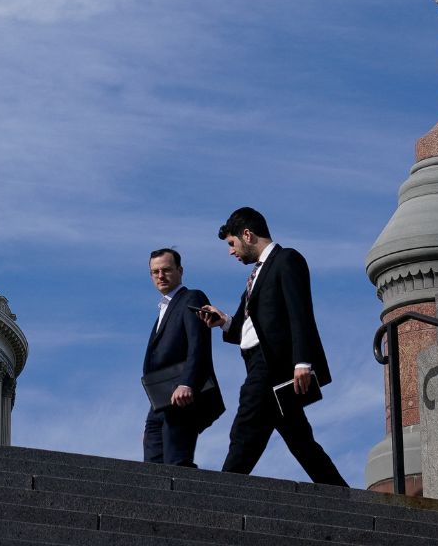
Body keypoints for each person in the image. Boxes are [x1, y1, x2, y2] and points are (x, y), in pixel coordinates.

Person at [197, 207, 347, 485]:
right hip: (259, 362)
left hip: (272, 365)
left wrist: (302, 362)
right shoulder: (257, 274)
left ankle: (222, 492)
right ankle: (341, 494)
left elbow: (299, 312)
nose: (231, 252)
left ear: (247, 234)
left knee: (245, 427)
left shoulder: (287, 259)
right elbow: (249, 323)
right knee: (300, 440)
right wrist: (224, 321)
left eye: (232, 244)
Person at [142, 247, 223, 467]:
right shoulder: (163, 308)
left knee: (177, 462)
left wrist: (187, 383)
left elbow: (199, 344)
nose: (160, 276)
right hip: (159, 399)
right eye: (155, 272)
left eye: (166, 270)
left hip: (182, 394)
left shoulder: (192, 297)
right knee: (151, 466)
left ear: (180, 270)